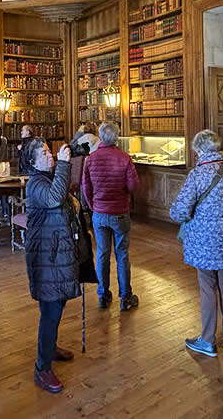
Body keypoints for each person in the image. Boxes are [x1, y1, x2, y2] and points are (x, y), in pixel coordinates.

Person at [170, 129, 223, 357]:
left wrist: (176, 212)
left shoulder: (198, 174)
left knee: (207, 286)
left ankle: (207, 340)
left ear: (200, 150)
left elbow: (181, 211)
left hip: (204, 241)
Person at [24, 138, 79, 394]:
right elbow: (55, 199)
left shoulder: (45, 179)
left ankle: (51, 347)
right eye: (44, 153)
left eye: (49, 151)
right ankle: (42, 367)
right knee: (50, 309)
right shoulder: (36, 183)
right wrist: (65, 165)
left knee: (57, 304)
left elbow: (61, 199)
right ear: (33, 162)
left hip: (55, 253)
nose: (51, 155)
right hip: (46, 256)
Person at [81, 121, 139, 311]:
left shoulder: (91, 158)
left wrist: (93, 206)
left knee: (102, 254)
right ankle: (126, 297)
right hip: (120, 212)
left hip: (100, 212)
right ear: (116, 136)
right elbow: (133, 186)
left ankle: (103, 295)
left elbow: (86, 188)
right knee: (122, 255)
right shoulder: (125, 158)